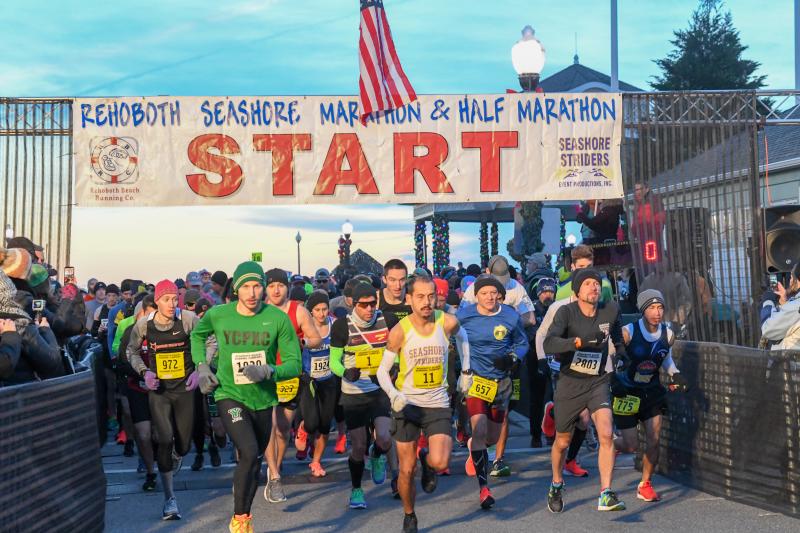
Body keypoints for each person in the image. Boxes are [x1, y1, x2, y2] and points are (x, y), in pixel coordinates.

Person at [190, 261, 301, 533]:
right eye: (246, 287)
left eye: (257, 286)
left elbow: (295, 364)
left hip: (263, 400)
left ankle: (245, 516)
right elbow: (197, 336)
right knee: (250, 451)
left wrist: (270, 370)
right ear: (236, 289)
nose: (252, 293)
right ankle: (240, 521)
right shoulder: (219, 314)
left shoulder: (277, 319)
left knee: (253, 462)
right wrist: (202, 367)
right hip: (229, 394)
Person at [377, 275, 463, 533]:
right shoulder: (400, 331)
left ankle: (428, 460)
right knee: (406, 469)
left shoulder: (446, 321)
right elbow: (382, 372)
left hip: (437, 402)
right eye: (420, 297)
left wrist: (467, 371)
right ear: (409, 299)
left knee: (441, 462)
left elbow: (464, 337)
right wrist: (396, 397)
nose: (427, 302)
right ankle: (409, 514)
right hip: (407, 405)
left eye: (431, 296)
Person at [543, 268, 625, 513]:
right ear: (578, 290)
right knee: (562, 441)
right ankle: (557, 483)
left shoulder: (609, 310)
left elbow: (617, 333)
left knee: (607, 433)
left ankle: (606, 493)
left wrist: (620, 352)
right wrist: (574, 343)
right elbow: (549, 343)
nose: (594, 287)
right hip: (570, 383)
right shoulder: (566, 313)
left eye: (597, 283)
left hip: (597, 381)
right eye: (588, 284)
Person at [127, 280, 200, 521]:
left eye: (174, 299)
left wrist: (200, 369)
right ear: (156, 301)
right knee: (165, 439)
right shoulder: (144, 325)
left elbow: (208, 342)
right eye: (166, 299)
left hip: (185, 389)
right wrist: (144, 372)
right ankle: (170, 499)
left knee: (184, 444)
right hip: (159, 391)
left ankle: (178, 455)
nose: (172, 303)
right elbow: (132, 351)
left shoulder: (188, 319)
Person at [456, 276, 528, 509]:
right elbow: (445, 334)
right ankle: (484, 489)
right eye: (484, 293)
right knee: (479, 428)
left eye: (493, 293)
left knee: (492, 438)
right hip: (476, 380)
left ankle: (474, 447)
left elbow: (522, 343)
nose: (489, 297)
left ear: (499, 295)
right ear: (475, 296)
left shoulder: (510, 316)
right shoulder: (464, 316)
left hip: (500, 383)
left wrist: (512, 358)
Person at [613, 289, 688, 502]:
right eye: (651, 308)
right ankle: (610, 444)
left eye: (660, 307)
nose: (657, 312)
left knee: (654, 440)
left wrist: (676, 375)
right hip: (626, 390)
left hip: (652, 392)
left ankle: (645, 484)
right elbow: (611, 355)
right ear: (642, 310)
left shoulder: (668, 334)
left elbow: (665, 358)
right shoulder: (628, 332)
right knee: (630, 445)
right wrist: (613, 378)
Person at [329, 281, 393, 510]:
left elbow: (397, 350)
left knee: (385, 438)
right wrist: (346, 371)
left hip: (378, 391)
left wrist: (392, 368)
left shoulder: (385, 320)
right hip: (353, 393)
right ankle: (356, 490)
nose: (369, 309)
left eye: (372, 304)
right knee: (358, 446)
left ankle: (377, 454)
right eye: (364, 305)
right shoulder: (341, 327)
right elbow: (333, 362)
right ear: (353, 304)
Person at [262, 268, 321, 504]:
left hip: (290, 375)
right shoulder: (259, 310)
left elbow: (316, 339)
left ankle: (276, 465)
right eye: (272, 285)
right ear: (266, 288)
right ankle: (274, 474)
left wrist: (302, 341)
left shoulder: (299, 310)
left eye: (280, 285)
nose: (276, 290)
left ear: (287, 287)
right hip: (265, 375)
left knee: (283, 428)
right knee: (271, 424)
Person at [114, 294, 159, 491]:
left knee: (160, 435)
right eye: (149, 314)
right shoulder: (131, 331)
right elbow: (122, 361)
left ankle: (163, 457)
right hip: (137, 388)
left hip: (161, 389)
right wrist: (143, 376)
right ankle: (150, 472)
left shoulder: (167, 330)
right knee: (143, 433)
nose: (152, 319)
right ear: (141, 313)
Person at [296, 290, 338, 477]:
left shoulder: (334, 324)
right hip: (309, 380)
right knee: (312, 423)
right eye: (317, 309)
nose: (322, 313)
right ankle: (304, 429)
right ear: (310, 311)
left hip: (328, 379)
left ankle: (316, 462)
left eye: (324, 309)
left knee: (325, 424)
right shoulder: (306, 327)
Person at [526, 277, 556, 447]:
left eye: (550, 291)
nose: (547, 295)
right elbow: (531, 333)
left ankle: (552, 432)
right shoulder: (532, 310)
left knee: (555, 397)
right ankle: (535, 435)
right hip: (535, 357)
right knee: (536, 398)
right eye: (544, 292)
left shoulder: (558, 309)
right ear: (538, 293)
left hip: (555, 356)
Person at [761, 262, 800, 350]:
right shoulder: (795, 305)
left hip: (790, 362)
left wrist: (768, 301)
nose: (790, 281)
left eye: (792, 277)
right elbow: (792, 323)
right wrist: (785, 303)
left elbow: (768, 330)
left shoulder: (796, 306)